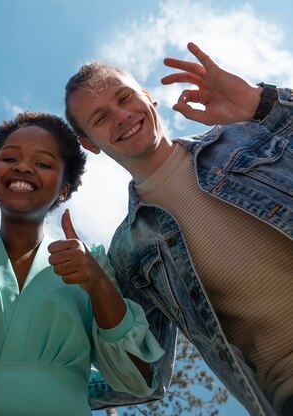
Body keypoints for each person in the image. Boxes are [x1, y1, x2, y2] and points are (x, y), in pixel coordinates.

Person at [64, 42, 292, 416]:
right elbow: (145, 378)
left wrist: (257, 102)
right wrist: (31, 381)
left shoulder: (246, 137)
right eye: (100, 118)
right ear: (90, 144)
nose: (121, 116)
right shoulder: (129, 250)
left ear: (149, 97)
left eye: (125, 98)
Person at [0, 111, 164, 416]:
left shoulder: (91, 263)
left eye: (43, 163)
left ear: (63, 189)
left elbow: (138, 379)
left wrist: (98, 286)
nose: (22, 167)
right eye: (9, 159)